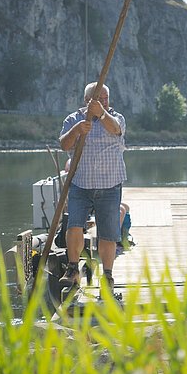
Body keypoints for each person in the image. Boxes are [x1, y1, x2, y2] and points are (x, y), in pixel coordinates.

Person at [58, 82, 126, 295]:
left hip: (110, 185)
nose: (103, 101)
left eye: (105, 98)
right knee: (74, 226)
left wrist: (102, 114)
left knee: (108, 233)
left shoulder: (116, 117)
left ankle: (107, 275)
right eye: (99, 98)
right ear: (87, 99)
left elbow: (116, 129)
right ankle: (72, 268)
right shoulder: (74, 119)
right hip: (81, 184)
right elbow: (64, 145)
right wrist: (77, 130)